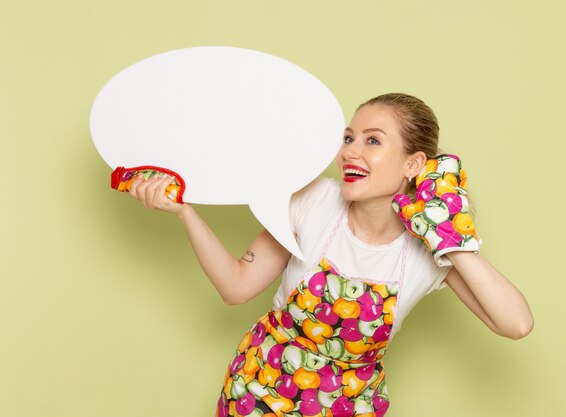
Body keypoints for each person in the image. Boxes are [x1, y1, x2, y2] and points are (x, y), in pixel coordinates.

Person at [128, 93, 534, 417]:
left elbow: (515, 324)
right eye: (348, 138)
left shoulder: (431, 248)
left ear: (413, 163)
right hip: (259, 393)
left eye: (372, 140)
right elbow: (237, 286)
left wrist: (448, 234)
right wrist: (185, 212)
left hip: (348, 408)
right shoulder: (312, 199)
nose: (350, 152)